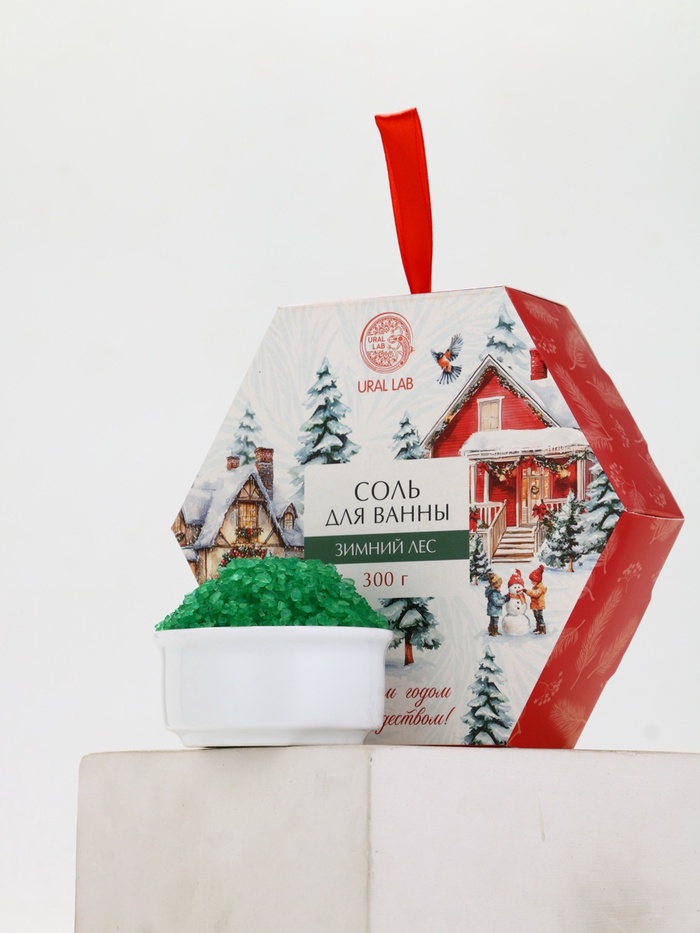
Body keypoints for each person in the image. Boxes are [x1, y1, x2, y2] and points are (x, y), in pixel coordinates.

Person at [526, 564, 547, 635]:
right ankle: (538, 628)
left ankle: (542, 629)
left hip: (539, 606)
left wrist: (526, 591)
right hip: (535, 606)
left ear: (537, 580)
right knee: (536, 617)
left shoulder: (541, 588)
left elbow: (535, 594)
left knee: (539, 618)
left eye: (533, 581)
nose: (531, 582)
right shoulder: (535, 587)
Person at [485, 572, 506, 637]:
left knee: (492, 620)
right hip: (494, 610)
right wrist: (504, 601)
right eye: (499, 585)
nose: (500, 586)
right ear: (495, 585)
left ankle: (491, 630)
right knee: (495, 621)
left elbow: (499, 598)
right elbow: (496, 602)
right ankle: (494, 632)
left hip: (493, 610)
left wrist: (504, 597)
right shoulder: (494, 593)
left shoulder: (494, 591)